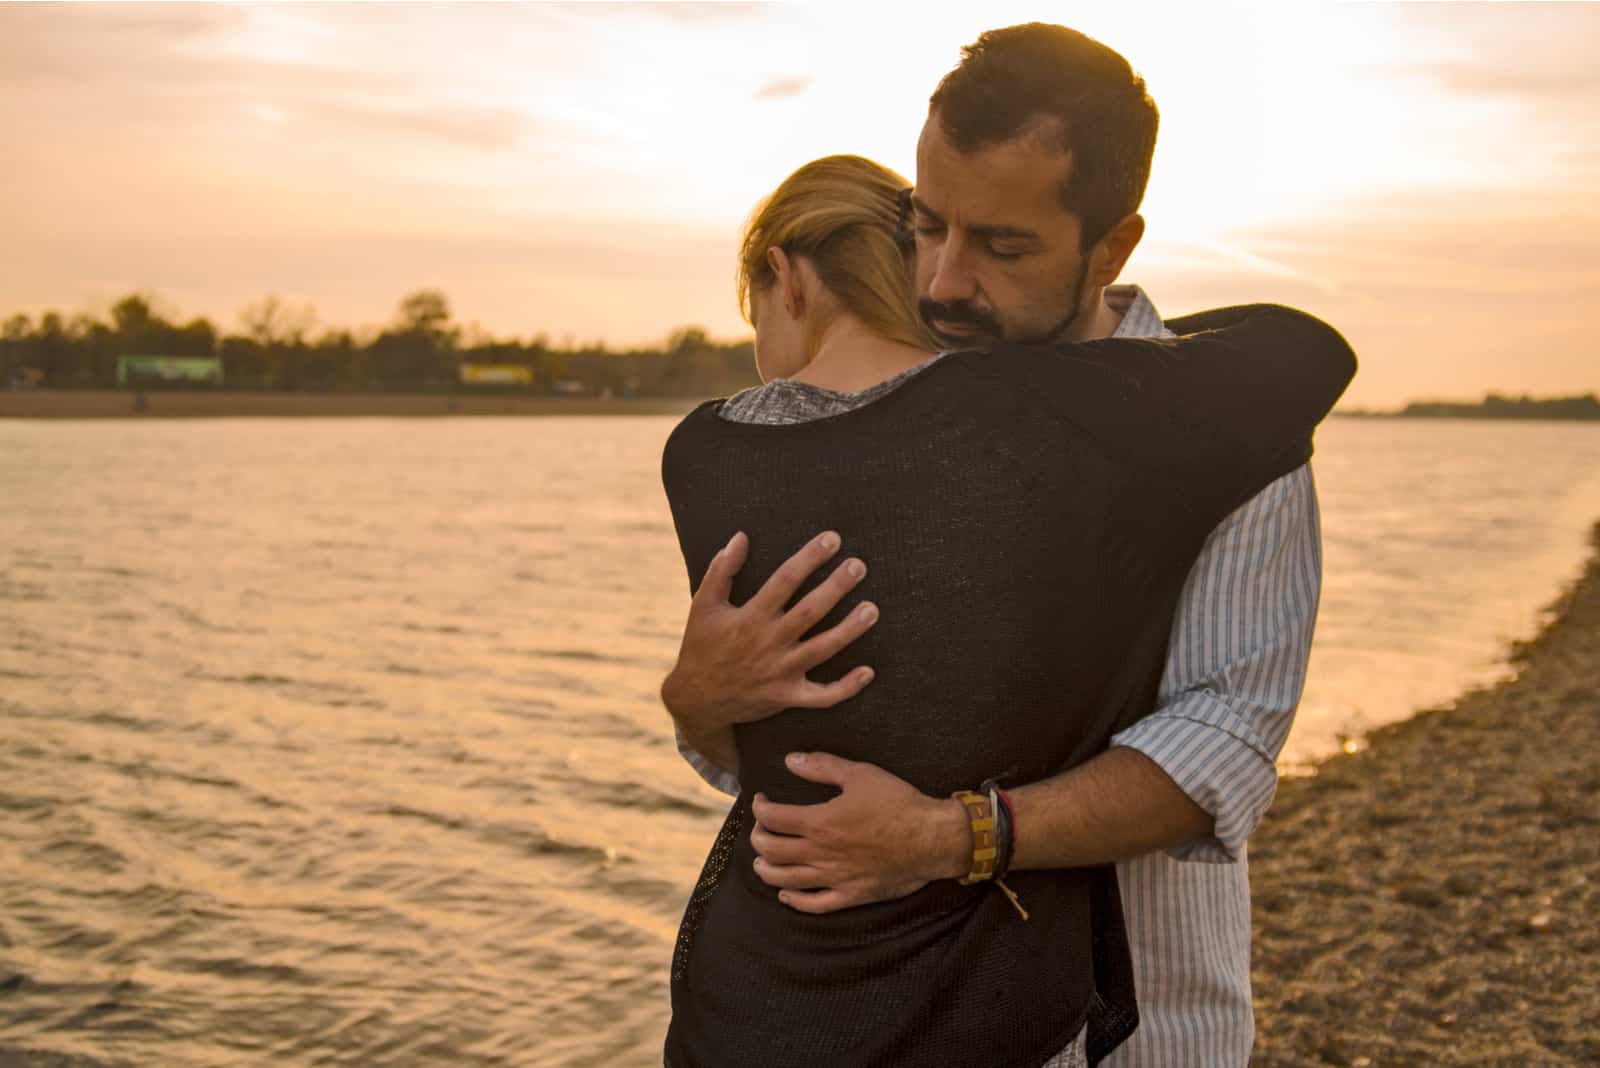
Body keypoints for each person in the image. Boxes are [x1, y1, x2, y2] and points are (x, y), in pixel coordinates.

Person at [663, 23, 1336, 1066]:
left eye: (1002, 245)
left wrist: (946, 837)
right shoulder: (890, 419)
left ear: (1110, 247)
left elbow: (1224, 744)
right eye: (928, 227)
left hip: (1145, 1023)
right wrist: (701, 698)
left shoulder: (1224, 439)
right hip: (891, 1026)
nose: (941, 282)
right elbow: (808, 758)